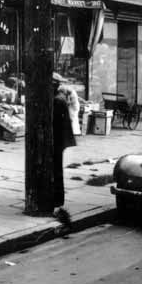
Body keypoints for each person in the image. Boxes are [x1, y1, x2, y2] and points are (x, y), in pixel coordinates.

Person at [52, 73, 77, 224]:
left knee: (56, 170)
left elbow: (56, 124)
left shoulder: (57, 100)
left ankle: (56, 199)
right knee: (56, 169)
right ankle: (56, 199)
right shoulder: (59, 99)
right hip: (59, 140)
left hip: (57, 140)